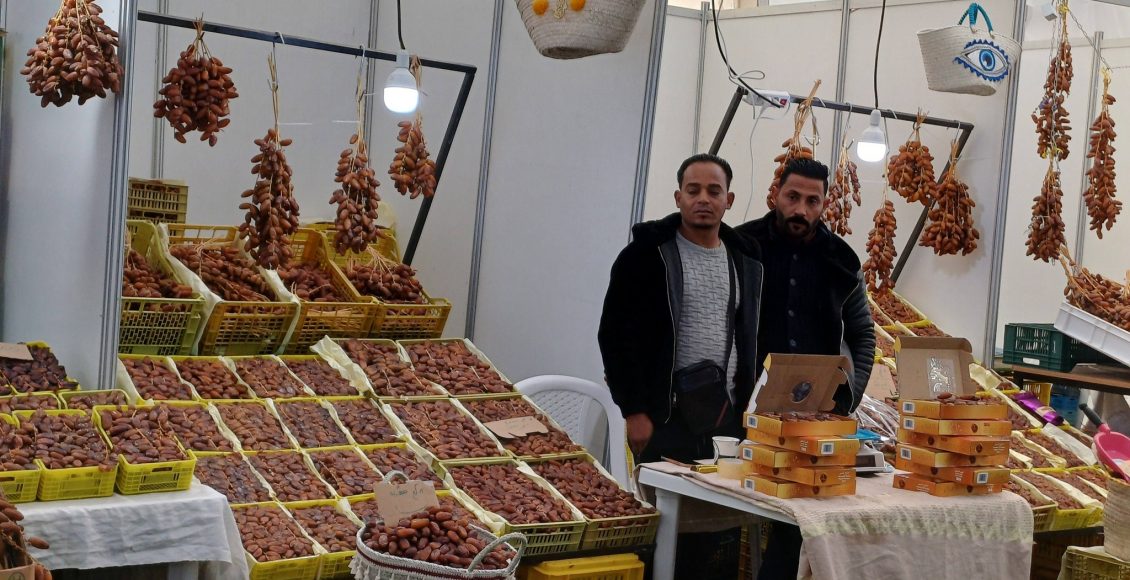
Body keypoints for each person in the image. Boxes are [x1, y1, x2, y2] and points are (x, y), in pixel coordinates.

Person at [598, 152, 763, 580]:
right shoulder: (644, 257)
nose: (703, 199)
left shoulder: (745, 261)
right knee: (663, 532)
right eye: (693, 190)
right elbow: (615, 337)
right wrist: (635, 411)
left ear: (729, 200)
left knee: (719, 534)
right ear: (678, 197)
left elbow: (748, 337)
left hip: (725, 420)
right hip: (664, 417)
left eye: (713, 191)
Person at [736, 157, 876, 579]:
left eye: (812, 201)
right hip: (742, 410)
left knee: (798, 527)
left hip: (813, 419)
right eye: (792, 197)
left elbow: (863, 334)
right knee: (724, 515)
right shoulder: (742, 246)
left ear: (824, 204)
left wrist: (848, 398)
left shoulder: (842, 260)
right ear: (776, 194)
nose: (800, 209)